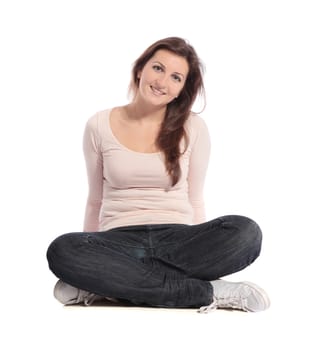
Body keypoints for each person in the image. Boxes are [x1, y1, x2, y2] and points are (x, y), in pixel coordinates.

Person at [47, 37, 270, 313]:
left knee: (246, 231)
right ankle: (207, 291)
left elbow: (195, 198)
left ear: (181, 90)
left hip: (179, 242)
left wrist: (94, 274)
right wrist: (89, 258)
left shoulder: (194, 128)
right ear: (140, 69)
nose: (162, 82)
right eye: (158, 68)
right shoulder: (98, 125)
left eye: (176, 77)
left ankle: (109, 285)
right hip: (120, 242)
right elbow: (95, 199)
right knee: (62, 250)